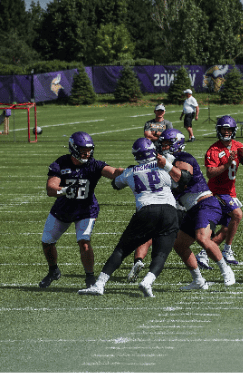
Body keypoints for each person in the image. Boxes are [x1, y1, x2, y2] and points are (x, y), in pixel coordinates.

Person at [78, 138, 181, 297]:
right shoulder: (164, 166)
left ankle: (99, 284)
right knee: (161, 252)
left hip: (146, 210)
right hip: (170, 210)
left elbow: (115, 185)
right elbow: (182, 179)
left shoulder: (130, 171)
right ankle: (147, 281)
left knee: (122, 249)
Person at [39, 132, 124, 289]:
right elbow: (50, 189)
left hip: (86, 209)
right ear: (73, 148)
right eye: (83, 149)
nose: (87, 153)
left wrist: (127, 171)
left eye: (89, 149)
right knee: (47, 243)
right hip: (63, 209)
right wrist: (64, 191)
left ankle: (90, 277)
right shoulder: (61, 163)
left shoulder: (94, 164)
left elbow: (113, 172)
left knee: (84, 242)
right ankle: (53, 270)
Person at [158, 128, 235, 290]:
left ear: (175, 144)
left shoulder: (184, 157)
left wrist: (166, 166)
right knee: (179, 244)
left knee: (202, 238)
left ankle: (226, 270)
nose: (163, 147)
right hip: (191, 209)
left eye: (166, 143)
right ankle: (198, 280)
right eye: (162, 144)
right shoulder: (168, 162)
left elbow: (183, 179)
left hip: (205, 203)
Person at [196, 115, 243, 269]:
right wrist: (227, 164)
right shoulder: (214, 150)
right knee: (237, 214)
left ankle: (203, 255)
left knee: (225, 229)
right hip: (216, 191)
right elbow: (210, 173)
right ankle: (227, 250)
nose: (226, 132)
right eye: (224, 129)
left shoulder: (239, 146)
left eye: (229, 129)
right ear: (219, 130)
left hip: (230, 191)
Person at [126, 103, 174, 282]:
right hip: (164, 191)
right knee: (168, 233)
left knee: (146, 233)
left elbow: (153, 135)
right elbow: (153, 135)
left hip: (146, 200)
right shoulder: (170, 156)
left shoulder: (134, 168)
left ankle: (139, 260)